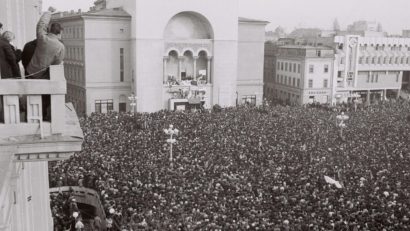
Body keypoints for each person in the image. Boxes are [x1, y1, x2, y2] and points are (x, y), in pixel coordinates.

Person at [26, 6, 64, 79]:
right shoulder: (61, 47)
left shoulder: (42, 38)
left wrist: (49, 12)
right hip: (44, 75)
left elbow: (41, 24)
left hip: (30, 71)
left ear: (49, 30)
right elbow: (57, 63)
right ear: (60, 33)